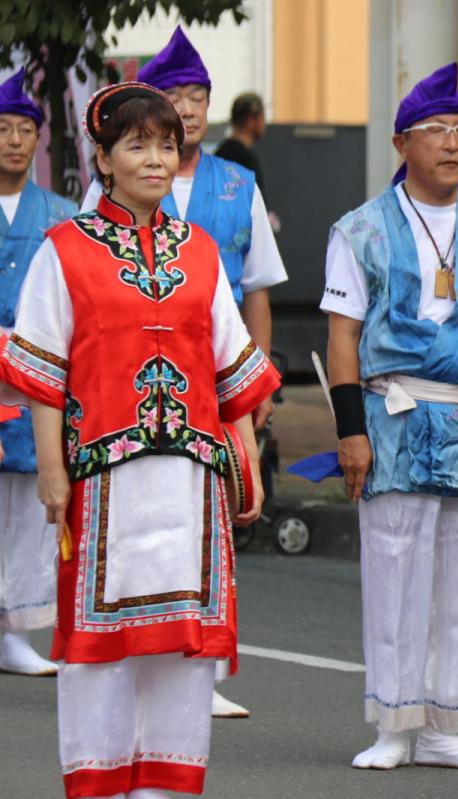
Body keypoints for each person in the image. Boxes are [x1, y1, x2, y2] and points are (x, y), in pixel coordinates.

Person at [1, 81, 278, 799]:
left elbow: (232, 368)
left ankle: (164, 787)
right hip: (105, 482)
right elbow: (43, 370)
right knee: (102, 647)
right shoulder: (65, 251)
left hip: (191, 482)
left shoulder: (201, 252)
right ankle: (101, 782)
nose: (157, 158)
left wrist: (245, 459)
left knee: (183, 643)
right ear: (103, 158)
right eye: (137, 145)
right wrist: (52, 469)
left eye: (166, 144)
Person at [320, 62, 458, 773]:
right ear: (402, 143)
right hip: (395, 415)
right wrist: (350, 431)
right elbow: (343, 337)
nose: (452, 142)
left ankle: (450, 725)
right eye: (436, 129)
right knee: (395, 569)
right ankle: (394, 721)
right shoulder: (361, 229)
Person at [81, 25, 288, 719]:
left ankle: (200, 671)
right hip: (128, 392)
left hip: (214, 381)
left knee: (210, 530)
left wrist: (256, 384)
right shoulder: (113, 186)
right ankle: (127, 670)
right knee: (135, 539)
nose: (189, 108)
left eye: (198, 95)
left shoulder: (239, 184)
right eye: (175, 96)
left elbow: (256, 290)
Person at [0, 68, 77, 676]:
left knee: (28, 502)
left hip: (32, 368)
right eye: (3, 129)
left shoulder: (61, 212)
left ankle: (13, 628)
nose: (15, 141)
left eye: (25, 130)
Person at [215, 92, 266, 186]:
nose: (264, 123)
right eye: (262, 117)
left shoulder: (219, 154)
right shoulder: (247, 161)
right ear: (251, 120)